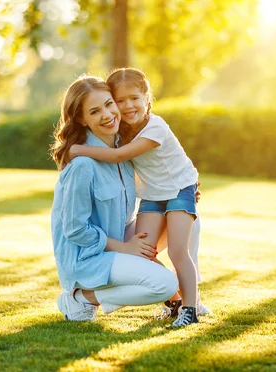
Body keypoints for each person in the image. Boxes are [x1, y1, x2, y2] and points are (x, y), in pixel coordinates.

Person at [69, 68, 203, 327]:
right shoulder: (121, 130)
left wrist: (77, 150)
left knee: (177, 251)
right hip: (154, 195)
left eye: (134, 98)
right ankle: (174, 302)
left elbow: (121, 156)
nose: (128, 106)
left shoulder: (156, 127)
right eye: (120, 100)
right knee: (143, 251)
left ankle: (191, 309)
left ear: (146, 98)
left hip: (178, 190)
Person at [50, 74, 179, 322]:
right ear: (82, 119)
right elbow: (75, 229)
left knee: (182, 218)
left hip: (119, 241)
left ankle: (179, 300)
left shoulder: (123, 151)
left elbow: (151, 183)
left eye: (109, 104)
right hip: (87, 259)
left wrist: (182, 189)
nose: (107, 115)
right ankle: (82, 298)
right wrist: (126, 248)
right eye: (95, 111)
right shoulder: (82, 165)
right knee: (163, 284)